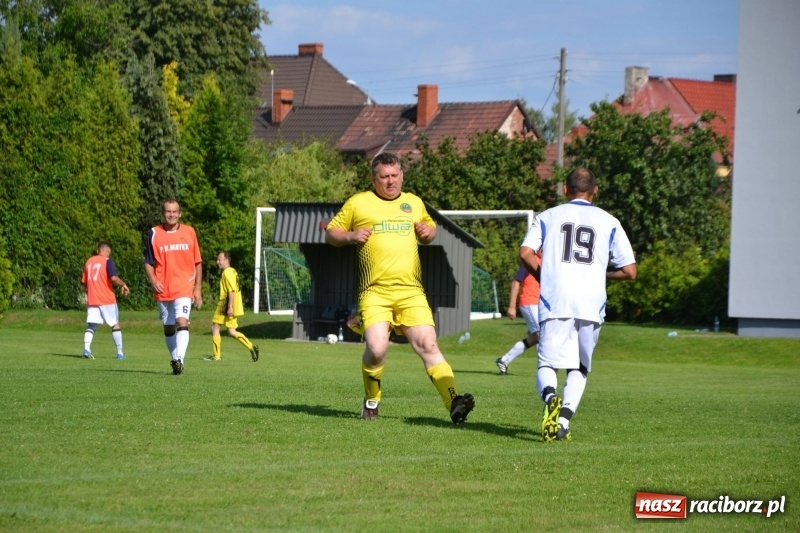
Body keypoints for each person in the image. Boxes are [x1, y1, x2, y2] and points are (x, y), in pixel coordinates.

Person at [325, 151, 475, 424]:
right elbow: (331, 233)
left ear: (402, 175)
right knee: (378, 348)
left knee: (429, 344)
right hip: (375, 292)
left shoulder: (414, 203)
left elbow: (429, 229)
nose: (391, 182)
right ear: (374, 179)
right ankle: (371, 401)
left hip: (411, 292)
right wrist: (349, 235)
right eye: (384, 177)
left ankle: (453, 401)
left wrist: (430, 233)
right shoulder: (359, 203)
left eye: (395, 176)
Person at [520, 168, 636, 442]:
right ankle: (562, 423)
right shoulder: (609, 221)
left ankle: (550, 398)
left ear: (564, 189)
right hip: (591, 303)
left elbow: (525, 253)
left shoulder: (548, 216)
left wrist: (542, 275)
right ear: (595, 191)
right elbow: (630, 271)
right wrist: (602, 274)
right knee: (580, 367)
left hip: (555, 299)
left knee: (547, 362)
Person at [144, 199, 203, 375]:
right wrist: (153, 280)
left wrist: (197, 288)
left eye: (175, 211)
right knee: (169, 326)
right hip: (163, 287)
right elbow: (148, 262)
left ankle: (179, 360)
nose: (172, 215)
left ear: (180, 214)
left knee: (182, 321)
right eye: (168, 212)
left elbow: (197, 262)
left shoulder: (190, 232)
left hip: (184, 286)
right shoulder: (154, 233)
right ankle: (176, 360)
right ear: (163, 213)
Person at [205, 251, 259, 362]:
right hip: (233, 304)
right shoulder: (233, 271)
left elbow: (231, 290)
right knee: (231, 331)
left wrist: (229, 307)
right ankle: (251, 346)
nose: (217, 262)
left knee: (215, 327)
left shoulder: (227, 272)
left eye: (219, 260)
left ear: (226, 260)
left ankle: (216, 356)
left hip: (225, 304)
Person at [81, 241, 130, 359]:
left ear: (98, 250)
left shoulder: (89, 262)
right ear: (107, 251)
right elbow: (113, 278)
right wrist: (123, 284)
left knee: (91, 325)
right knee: (115, 324)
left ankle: (86, 349)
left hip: (93, 299)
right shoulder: (107, 261)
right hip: (107, 299)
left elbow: (84, 282)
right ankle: (120, 353)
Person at [495, 257, 541, 375]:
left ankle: (504, 360)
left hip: (539, 304)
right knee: (542, 334)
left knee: (535, 338)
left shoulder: (548, 261)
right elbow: (516, 282)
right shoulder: (530, 260)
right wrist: (511, 306)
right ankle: (544, 368)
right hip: (529, 302)